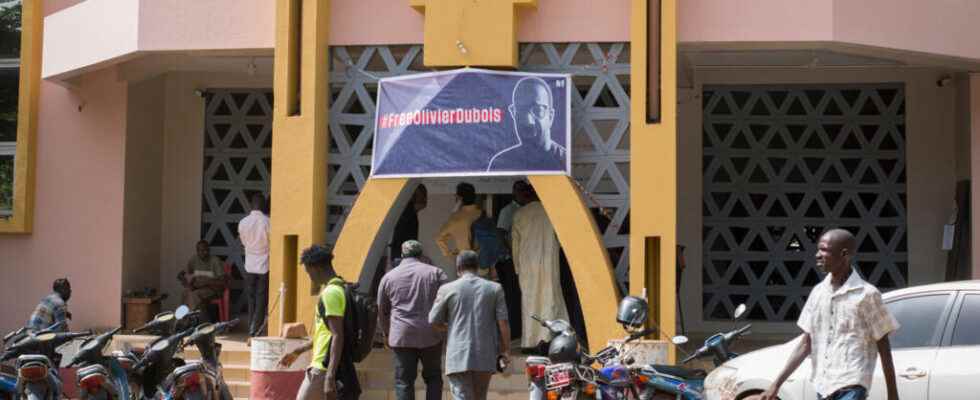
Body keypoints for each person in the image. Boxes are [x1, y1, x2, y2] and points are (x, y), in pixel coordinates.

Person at [760, 229, 900, 400]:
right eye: (818, 250)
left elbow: (884, 346)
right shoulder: (818, 293)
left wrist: (893, 394)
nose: (818, 255)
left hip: (852, 383)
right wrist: (776, 384)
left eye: (824, 250)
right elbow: (806, 343)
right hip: (823, 385)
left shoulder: (867, 294)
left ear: (844, 254)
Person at [278, 245, 361, 400]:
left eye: (308, 272)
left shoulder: (331, 293)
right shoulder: (340, 287)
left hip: (322, 367)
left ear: (315, 268)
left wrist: (329, 376)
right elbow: (327, 333)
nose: (309, 276)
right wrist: (299, 350)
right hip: (324, 366)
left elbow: (338, 335)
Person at [428, 251, 510, 400]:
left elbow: (433, 320)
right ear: (477, 267)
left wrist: (449, 328)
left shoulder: (447, 289)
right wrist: (505, 350)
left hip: (457, 355)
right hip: (485, 355)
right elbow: (503, 323)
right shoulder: (495, 288)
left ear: (458, 268)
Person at [378, 240, 448, 400]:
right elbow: (448, 302)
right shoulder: (437, 273)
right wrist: (445, 327)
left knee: (404, 381)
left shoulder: (388, 277)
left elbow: (382, 310)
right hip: (431, 333)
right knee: (433, 378)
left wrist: (386, 333)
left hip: (401, 336)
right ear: (421, 254)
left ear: (402, 255)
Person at [511, 185, 569, 353]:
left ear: (523, 195)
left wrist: (517, 268)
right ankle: (554, 338)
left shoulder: (520, 214)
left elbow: (516, 244)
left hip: (528, 265)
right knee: (550, 298)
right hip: (550, 261)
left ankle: (531, 341)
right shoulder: (551, 211)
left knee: (530, 302)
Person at [487, 77, 566, 172]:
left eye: (538, 110)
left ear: (550, 116)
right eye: (521, 111)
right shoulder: (500, 164)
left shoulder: (565, 161)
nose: (528, 121)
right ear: (513, 113)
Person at [494, 180, 531, 340]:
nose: (524, 194)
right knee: (513, 296)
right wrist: (512, 251)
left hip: (526, 259)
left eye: (525, 191)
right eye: (521, 191)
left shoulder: (529, 210)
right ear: (515, 192)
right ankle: (514, 331)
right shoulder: (508, 211)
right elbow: (501, 234)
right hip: (510, 260)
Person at [239, 193, 271, 338]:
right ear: (263, 204)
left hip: (249, 264)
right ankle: (254, 328)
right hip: (264, 263)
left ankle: (252, 325)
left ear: (252, 204)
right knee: (261, 298)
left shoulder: (243, 222)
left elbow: (243, 242)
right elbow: (271, 242)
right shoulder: (267, 221)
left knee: (251, 297)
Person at [435, 183, 482, 270]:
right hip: (483, 262)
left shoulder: (456, 218)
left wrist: (450, 255)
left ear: (460, 198)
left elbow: (439, 238)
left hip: (465, 263)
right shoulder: (482, 214)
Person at [179, 240, 227, 319]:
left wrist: (206, 282)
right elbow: (182, 275)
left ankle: (188, 321)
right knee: (185, 293)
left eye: (207, 250)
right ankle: (183, 319)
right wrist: (188, 284)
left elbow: (223, 281)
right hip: (198, 288)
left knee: (194, 295)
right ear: (197, 251)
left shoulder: (215, 261)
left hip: (212, 289)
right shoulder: (193, 260)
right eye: (202, 250)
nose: (205, 252)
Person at [389, 185, 428, 267]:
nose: (425, 200)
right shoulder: (407, 208)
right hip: (402, 256)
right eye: (423, 196)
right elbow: (422, 204)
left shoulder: (407, 209)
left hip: (402, 255)